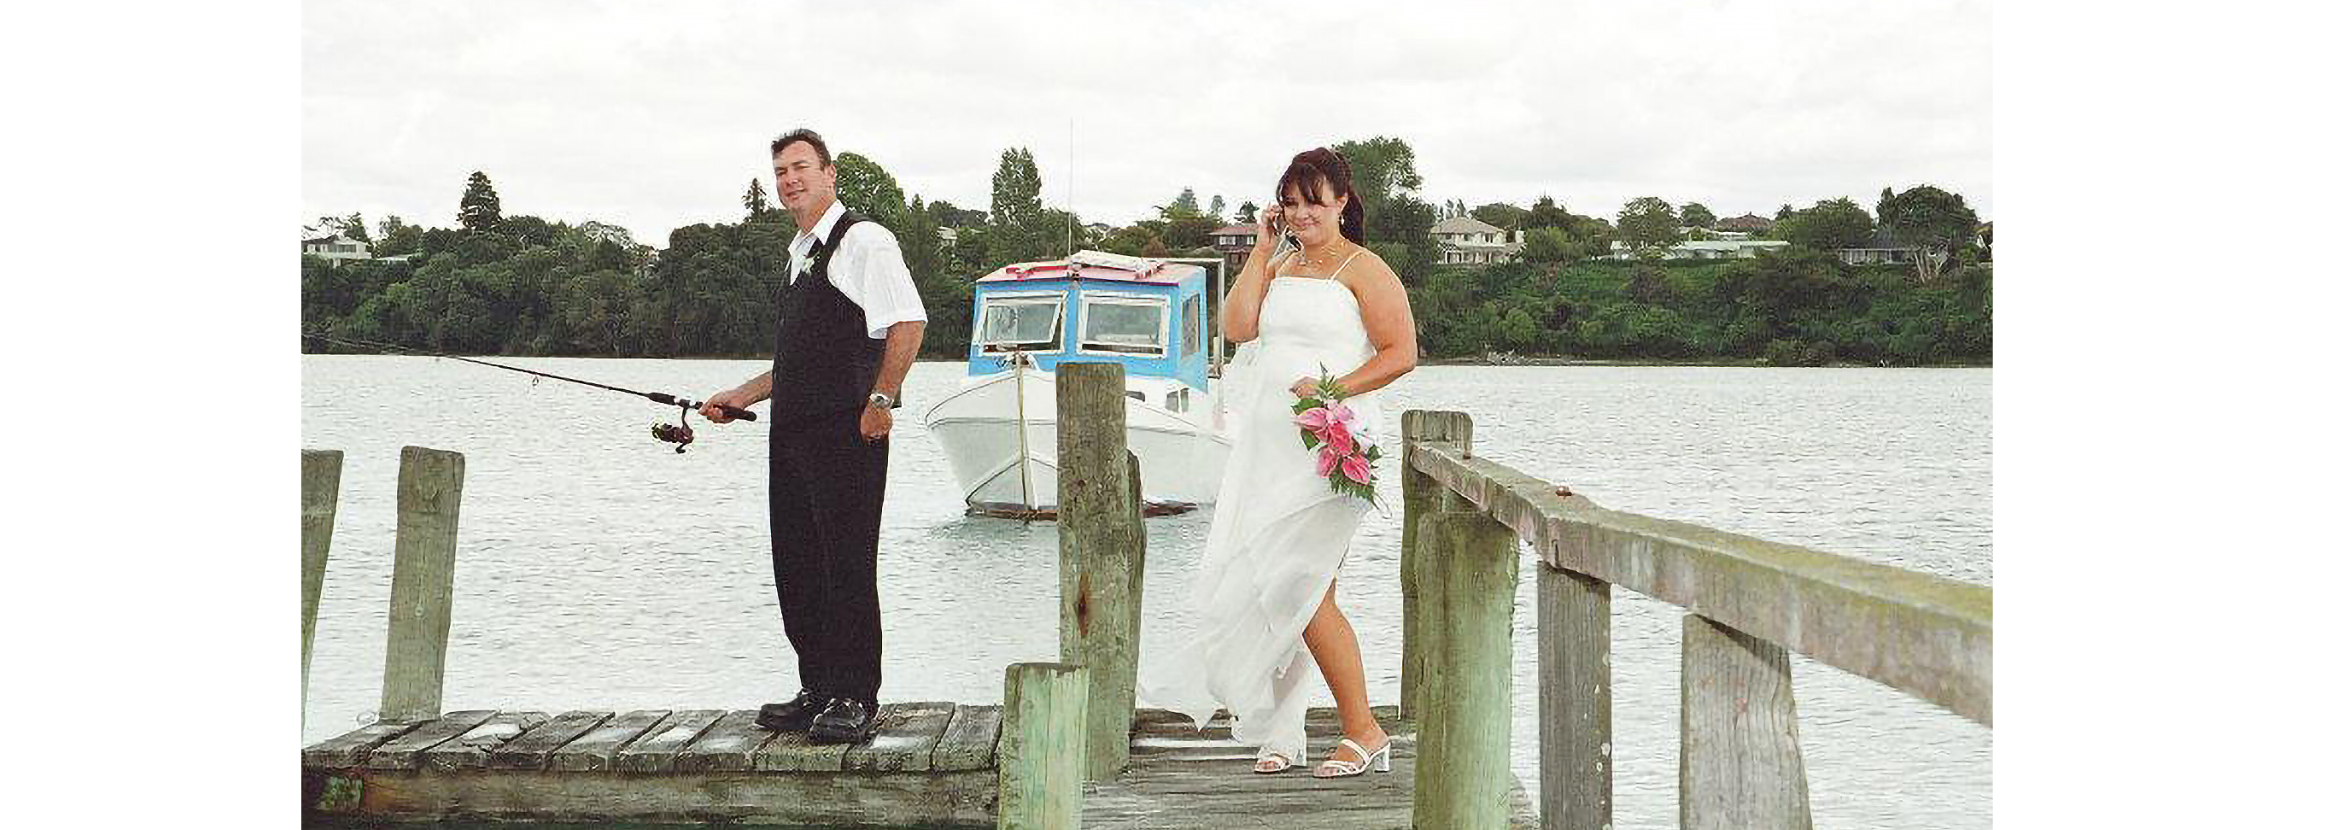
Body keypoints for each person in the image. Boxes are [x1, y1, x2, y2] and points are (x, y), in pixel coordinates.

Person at [1139, 147, 1418, 778]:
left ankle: (1364, 729)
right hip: (1266, 448)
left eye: (1314, 202)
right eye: (1290, 204)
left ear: (1343, 201)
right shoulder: (1283, 260)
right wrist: (1263, 249)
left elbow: (1402, 352)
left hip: (1328, 445)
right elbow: (1238, 327)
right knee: (1278, 584)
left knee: (1302, 584)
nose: (1301, 214)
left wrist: (1332, 391)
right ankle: (1285, 731)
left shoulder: (1365, 269)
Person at [701, 129, 928, 744]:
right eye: (780, 172)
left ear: (830, 174)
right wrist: (742, 396)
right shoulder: (800, 252)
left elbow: (908, 323)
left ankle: (855, 694)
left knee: (846, 564)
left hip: (847, 433)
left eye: (800, 167)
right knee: (797, 563)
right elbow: (800, 361)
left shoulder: (865, 242)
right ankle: (818, 687)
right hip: (792, 436)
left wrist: (882, 400)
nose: (789, 180)